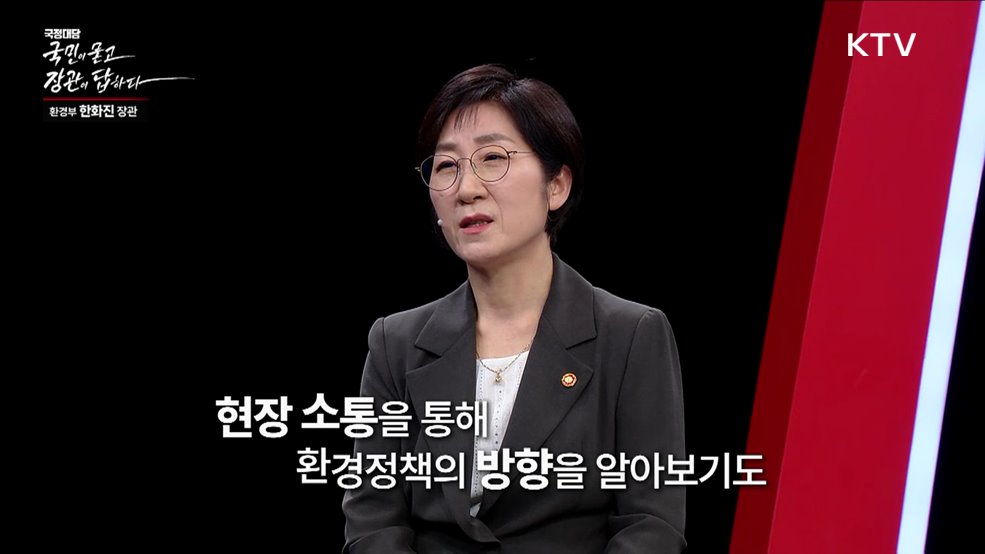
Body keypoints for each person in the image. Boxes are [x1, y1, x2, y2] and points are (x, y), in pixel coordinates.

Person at [341, 64, 686, 553]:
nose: (466, 189)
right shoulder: (394, 343)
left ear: (556, 185)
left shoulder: (631, 335)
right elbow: (373, 522)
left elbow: (652, 525)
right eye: (446, 166)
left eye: (493, 158)